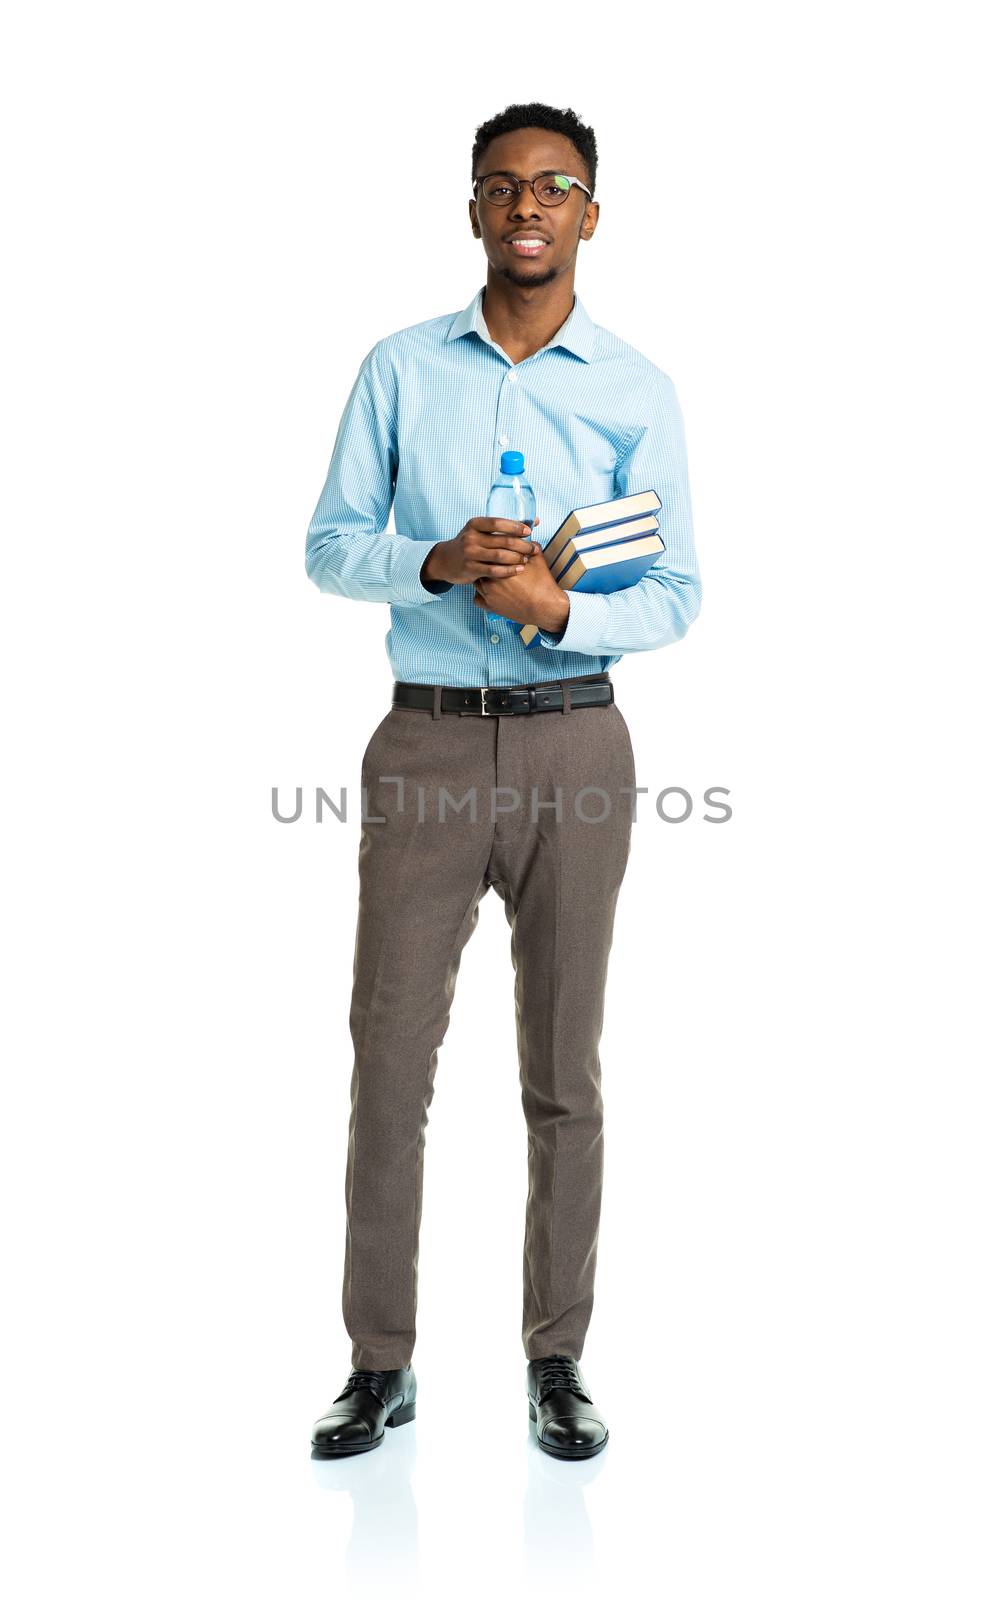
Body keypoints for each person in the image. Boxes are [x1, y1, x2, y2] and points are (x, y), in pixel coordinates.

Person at [305, 101, 702, 1462]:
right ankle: (380, 1363)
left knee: (563, 1072)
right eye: (500, 187)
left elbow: (679, 594)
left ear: (592, 214)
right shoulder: (401, 369)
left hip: (576, 740)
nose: (525, 206)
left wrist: (552, 605)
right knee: (390, 1061)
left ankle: (557, 1358)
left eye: (554, 187)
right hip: (422, 742)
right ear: (472, 210)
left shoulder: (636, 390)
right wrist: (432, 559)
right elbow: (329, 541)